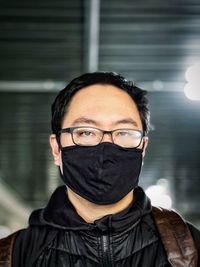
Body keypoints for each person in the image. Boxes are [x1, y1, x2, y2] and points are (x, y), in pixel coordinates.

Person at [0, 72, 200, 266]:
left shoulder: (190, 250)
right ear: (56, 148)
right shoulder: (13, 256)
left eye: (123, 132)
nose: (106, 147)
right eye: (86, 132)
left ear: (143, 148)